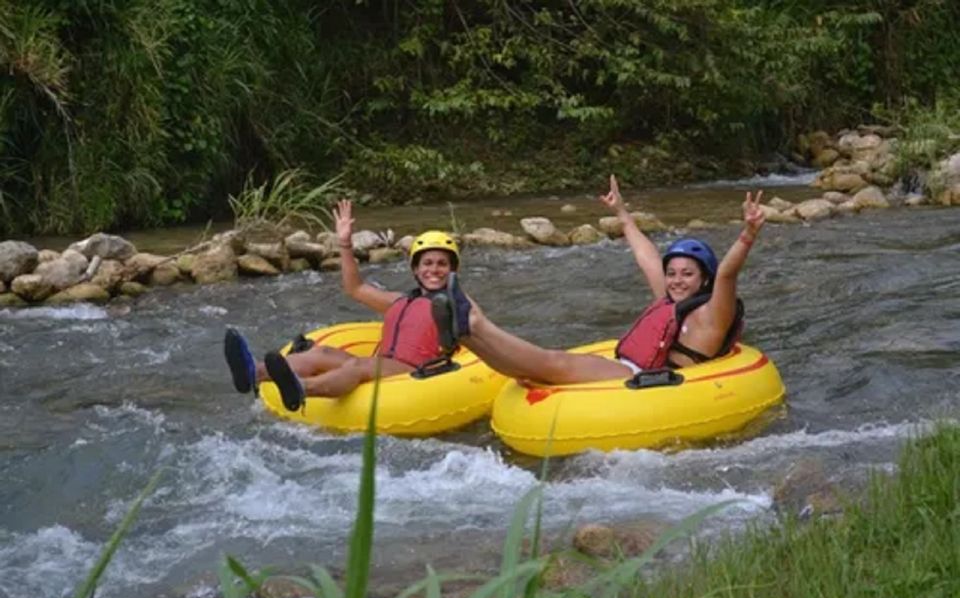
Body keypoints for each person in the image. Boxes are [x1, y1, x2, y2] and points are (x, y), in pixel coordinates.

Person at [431, 175, 766, 384]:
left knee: (553, 362)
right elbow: (646, 255)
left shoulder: (712, 316)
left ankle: (476, 322)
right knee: (533, 369)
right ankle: (466, 334)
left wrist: (747, 234)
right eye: (673, 273)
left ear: (704, 280)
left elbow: (727, 273)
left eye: (687, 274)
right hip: (627, 369)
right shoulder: (670, 299)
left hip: (640, 380)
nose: (676, 281)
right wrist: (621, 213)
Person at [224, 199, 462, 411]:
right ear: (416, 270)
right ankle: (255, 372)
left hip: (413, 372)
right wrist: (345, 244)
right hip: (384, 364)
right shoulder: (399, 301)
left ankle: (302, 388)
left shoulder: (456, 302)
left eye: (442, 264)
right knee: (321, 352)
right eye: (427, 263)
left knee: (359, 365)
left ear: (453, 270)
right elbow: (355, 288)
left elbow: (476, 327)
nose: (434, 269)